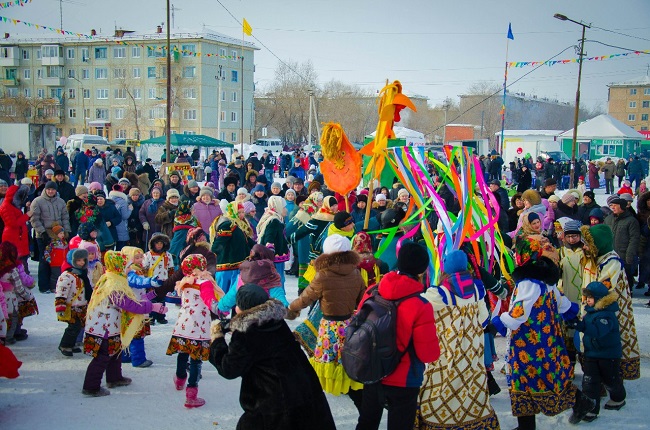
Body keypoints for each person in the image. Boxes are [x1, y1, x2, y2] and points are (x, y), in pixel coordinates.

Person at [490, 235, 593, 430]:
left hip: (527, 343)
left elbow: (518, 314)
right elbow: (562, 304)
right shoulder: (546, 280)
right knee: (550, 376)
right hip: (547, 340)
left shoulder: (527, 283)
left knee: (524, 381)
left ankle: (527, 425)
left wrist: (497, 323)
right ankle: (579, 401)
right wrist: (572, 315)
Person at [209, 283, 336, 430]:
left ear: (241, 307)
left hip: (274, 405)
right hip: (303, 393)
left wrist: (217, 340)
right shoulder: (276, 321)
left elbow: (229, 368)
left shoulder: (247, 333)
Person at [355, 242, 439, 430]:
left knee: (367, 422)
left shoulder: (373, 292)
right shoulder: (421, 305)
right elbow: (428, 354)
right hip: (405, 378)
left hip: (372, 372)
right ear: (423, 270)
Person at [417, 250, 498, 430]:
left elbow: (419, 307)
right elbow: (484, 320)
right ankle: (473, 417)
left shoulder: (440, 293)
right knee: (471, 381)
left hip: (446, 349)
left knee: (443, 380)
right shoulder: (477, 289)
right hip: (472, 349)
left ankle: (441, 420)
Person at [287, 234, 366, 411]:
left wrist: (291, 308)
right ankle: (350, 389)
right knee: (346, 358)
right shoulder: (355, 272)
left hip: (330, 326)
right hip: (349, 324)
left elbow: (306, 298)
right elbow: (363, 297)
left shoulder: (323, 275)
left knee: (327, 361)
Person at [82, 250, 165, 397]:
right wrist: (152, 307)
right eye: (127, 266)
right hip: (103, 326)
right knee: (102, 356)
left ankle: (114, 378)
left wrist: (153, 295)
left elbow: (132, 298)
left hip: (110, 324)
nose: (129, 269)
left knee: (115, 351)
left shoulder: (115, 278)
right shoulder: (113, 283)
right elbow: (129, 304)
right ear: (119, 266)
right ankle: (91, 386)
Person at [581, 224, 641, 380]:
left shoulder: (611, 262)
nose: (585, 247)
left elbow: (603, 287)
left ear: (598, 245)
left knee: (607, 340)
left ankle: (610, 378)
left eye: (588, 244)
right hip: (591, 306)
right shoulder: (594, 258)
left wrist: (590, 304)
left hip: (608, 311)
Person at [166, 254, 223, 408]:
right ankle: (191, 393)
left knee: (183, 353)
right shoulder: (204, 283)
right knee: (196, 359)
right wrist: (220, 310)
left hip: (183, 323)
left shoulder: (184, 282)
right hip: (199, 325)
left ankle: (180, 379)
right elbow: (209, 300)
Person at [567, 281, 627, 423]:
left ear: (600, 299)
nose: (587, 300)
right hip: (591, 354)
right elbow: (588, 327)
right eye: (586, 297)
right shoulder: (590, 312)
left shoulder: (607, 315)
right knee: (590, 382)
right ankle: (590, 409)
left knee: (610, 379)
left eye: (590, 297)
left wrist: (580, 326)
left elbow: (597, 331)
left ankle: (618, 398)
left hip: (608, 356)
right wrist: (577, 323)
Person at [31, 181, 71, 293]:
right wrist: (42, 232)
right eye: (49, 189)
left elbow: (65, 217)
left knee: (57, 259)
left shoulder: (60, 201)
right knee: (44, 259)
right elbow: (34, 219)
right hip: (44, 233)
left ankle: (55, 283)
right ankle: (44, 286)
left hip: (58, 233)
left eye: (53, 189)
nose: (50, 191)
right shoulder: (38, 201)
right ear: (45, 189)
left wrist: (67, 231)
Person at [211, 202, 256, 295]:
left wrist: (258, 248)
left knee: (235, 295)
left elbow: (247, 241)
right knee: (224, 295)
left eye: (243, 212)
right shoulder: (227, 225)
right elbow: (218, 244)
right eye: (239, 212)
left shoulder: (239, 225)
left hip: (237, 266)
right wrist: (213, 256)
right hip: (227, 267)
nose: (242, 215)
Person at [54, 249, 91, 356]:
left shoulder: (82, 274)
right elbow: (61, 291)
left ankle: (72, 343)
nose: (82, 263)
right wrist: (60, 305)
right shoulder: (67, 275)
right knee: (73, 326)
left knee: (78, 327)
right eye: (78, 260)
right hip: (71, 307)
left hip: (81, 305)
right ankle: (65, 345)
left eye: (83, 260)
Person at [604, 197, 640, 289]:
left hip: (624, 254)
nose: (613, 207)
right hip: (610, 254)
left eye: (615, 205)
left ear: (622, 207)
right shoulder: (608, 219)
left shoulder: (631, 221)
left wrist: (630, 254)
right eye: (612, 205)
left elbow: (634, 239)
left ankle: (628, 293)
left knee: (626, 276)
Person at [256, 196, 290, 288]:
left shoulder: (273, 218)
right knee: (278, 278)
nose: (286, 210)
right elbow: (269, 238)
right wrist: (270, 252)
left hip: (276, 256)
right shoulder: (274, 221)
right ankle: (278, 297)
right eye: (284, 207)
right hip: (275, 257)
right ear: (278, 207)